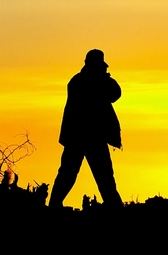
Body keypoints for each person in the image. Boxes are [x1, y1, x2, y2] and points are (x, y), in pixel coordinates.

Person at [49, 49, 123, 208]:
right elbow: (113, 94)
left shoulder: (78, 81)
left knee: (93, 175)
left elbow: (115, 94)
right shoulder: (86, 82)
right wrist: (104, 77)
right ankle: (115, 207)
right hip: (88, 137)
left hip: (79, 137)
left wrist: (103, 77)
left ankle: (55, 205)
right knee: (100, 175)